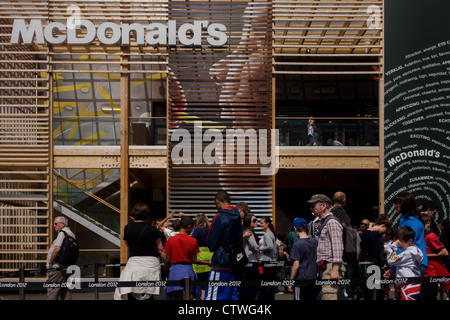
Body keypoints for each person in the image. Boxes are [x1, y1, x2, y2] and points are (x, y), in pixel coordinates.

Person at [114, 203, 166, 300]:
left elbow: (128, 245)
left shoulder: (127, 228)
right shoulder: (152, 230)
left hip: (134, 263)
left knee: (132, 289)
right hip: (150, 263)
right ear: (147, 214)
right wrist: (166, 262)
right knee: (151, 292)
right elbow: (160, 249)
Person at [205, 190, 243, 300]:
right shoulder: (237, 217)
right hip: (236, 261)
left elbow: (211, 243)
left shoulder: (219, 217)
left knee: (215, 296)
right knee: (233, 296)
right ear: (229, 201)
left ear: (217, 202)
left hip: (221, 262)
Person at [308, 193, 345, 300]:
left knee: (329, 296)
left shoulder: (331, 222)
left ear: (323, 206)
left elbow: (337, 246)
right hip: (326, 266)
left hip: (331, 266)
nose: (311, 209)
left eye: (313, 206)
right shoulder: (324, 222)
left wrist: (335, 268)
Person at [164, 216, 211, 300]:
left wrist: (167, 272)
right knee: (189, 295)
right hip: (188, 271)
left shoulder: (171, 240)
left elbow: (167, 259)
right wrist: (207, 263)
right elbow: (194, 260)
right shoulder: (193, 241)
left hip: (175, 272)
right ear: (189, 226)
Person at [388, 191, 428, 275]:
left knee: (409, 288)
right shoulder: (405, 219)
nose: (394, 206)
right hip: (408, 262)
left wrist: (393, 267)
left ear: (405, 204)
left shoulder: (413, 222)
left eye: (397, 203)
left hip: (414, 264)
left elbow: (404, 244)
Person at [359, 215, 392, 300]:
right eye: (385, 230)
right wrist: (382, 264)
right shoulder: (375, 235)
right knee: (377, 290)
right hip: (374, 265)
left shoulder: (366, 233)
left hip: (366, 264)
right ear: (383, 226)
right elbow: (376, 252)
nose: (385, 232)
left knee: (368, 291)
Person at [386, 226, 423, 300]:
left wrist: (394, 245)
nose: (399, 244)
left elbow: (391, 260)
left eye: (400, 241)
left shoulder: (408, 254)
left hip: (408, 286)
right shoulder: (415, 251)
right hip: (412, 284)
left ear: (410, 241)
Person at [287, 217, 319, 301]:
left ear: (295, 229)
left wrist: (290, 281)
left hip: (301, 279)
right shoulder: (314, 242)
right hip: (313, 277)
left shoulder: (297, 245)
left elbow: (296, 266)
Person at [420, 214, 450, 300]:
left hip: (432, 272)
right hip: (426, 271)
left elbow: (444, 252)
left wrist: (426, 256)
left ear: (428, 223)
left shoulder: (431, 236)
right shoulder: (423, 236)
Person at [46, 216, 76, 300]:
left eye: (56, 223)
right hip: (67, 267)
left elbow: (57, 249)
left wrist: (50, 262)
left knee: (53, 290)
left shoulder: (62, 233)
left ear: (63, 224)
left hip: (57, 267)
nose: (54, 225)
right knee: (65, 290)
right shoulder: (71, 234)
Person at [190, 213, 213, 300]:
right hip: (211, 257)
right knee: (208, 286)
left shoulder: (197, 230)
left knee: (202, 287)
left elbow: (191, 241)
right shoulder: (210, 230)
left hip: (200, 259)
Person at [240, 214, 260, 300]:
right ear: (249, 222)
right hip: (251, 260)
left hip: (245, 260)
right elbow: (256, 248)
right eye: (254, 220)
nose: (256, 222)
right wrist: (258, 248)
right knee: (256, 283)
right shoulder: (249, 233)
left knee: (248, 284)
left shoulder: (243, 232)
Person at [257, 216, 277, 300]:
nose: (260, 224)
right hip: (270, 262)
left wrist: (259, 249)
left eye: (262, 223)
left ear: (267, 224)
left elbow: (270, 246)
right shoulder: (270, 233)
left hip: (267, 262)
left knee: (267, 286)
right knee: (269, 285)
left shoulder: (267, 234)